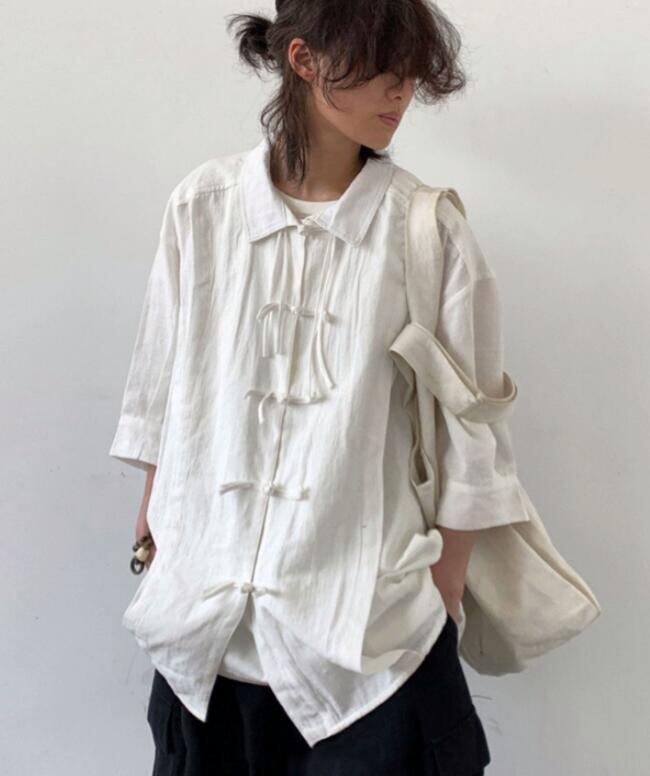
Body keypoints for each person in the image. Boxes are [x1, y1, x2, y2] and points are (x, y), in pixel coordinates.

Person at [109, 1, 531, 773]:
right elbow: (160, 398)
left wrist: (438, 601)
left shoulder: (428, 231)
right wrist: (154, 543)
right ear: (303, 60)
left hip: (371, 654)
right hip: (206, 648)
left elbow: (475, 446)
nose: (402, 90)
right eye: (381, 64)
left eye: (412, 70)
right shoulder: (203, 208)